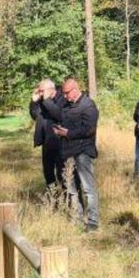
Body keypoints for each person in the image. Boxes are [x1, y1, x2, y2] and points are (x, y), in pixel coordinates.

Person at [53, 77, 100, 232]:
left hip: (83, 152)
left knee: (88, 188)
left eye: (66, 93)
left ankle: (93, 222)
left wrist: (68, 133)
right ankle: (78, 217)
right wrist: (60, 131)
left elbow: (89, 129)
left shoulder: (88, 106)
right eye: (63, 93)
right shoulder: (66, 106)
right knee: (71, 189)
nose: (65, 96)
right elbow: (63, 123)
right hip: (67, 152)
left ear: (75, 89)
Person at [29, 79, 66, 188]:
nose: (40, 93)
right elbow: (35, 115)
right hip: (47, 141)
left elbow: (58, 115)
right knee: (48, 173)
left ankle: (65, 200)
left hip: (61, 142)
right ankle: (52, 198)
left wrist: (46, 100)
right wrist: (34, 102)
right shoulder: (42, 100)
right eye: (39, 91)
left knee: (61, 173)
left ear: (50, 90)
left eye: (42, 91)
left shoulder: (62, 98)